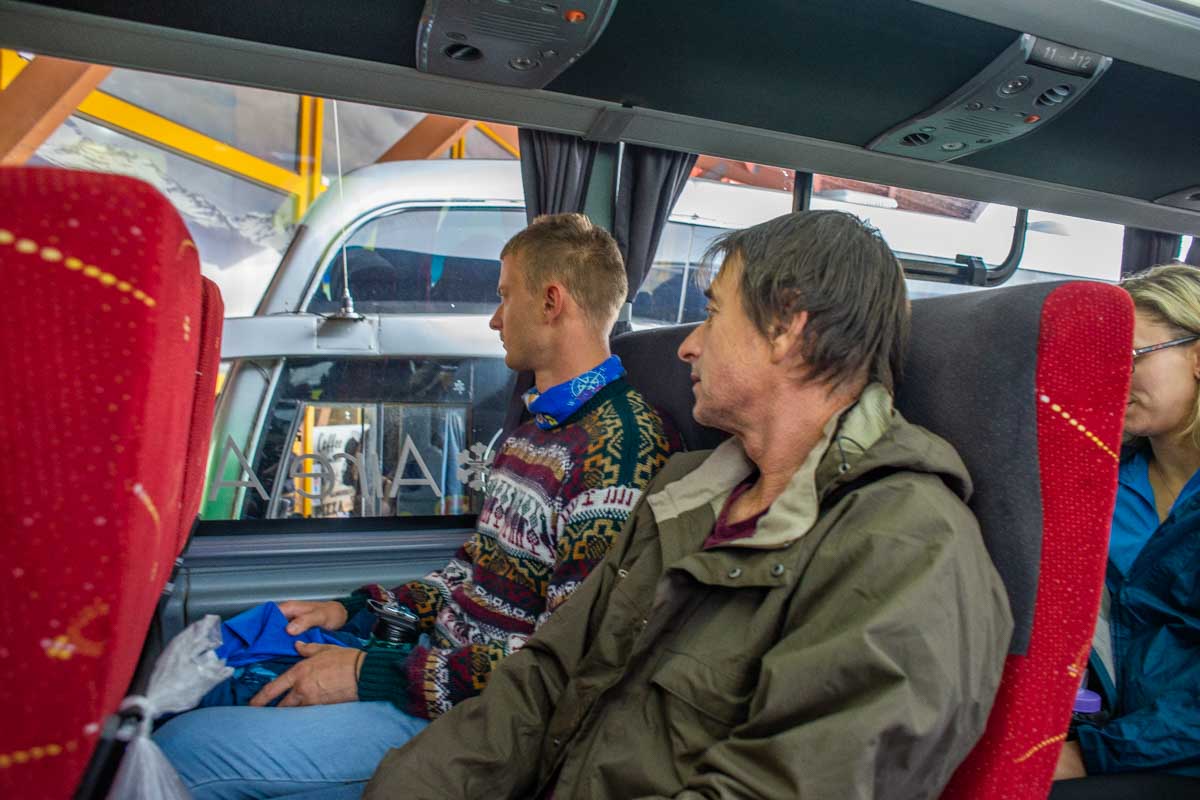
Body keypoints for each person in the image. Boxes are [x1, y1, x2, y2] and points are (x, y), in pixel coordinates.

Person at [362, 210, 1014, 799]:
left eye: (712, 313)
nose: (687, 346)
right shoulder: (688, 489)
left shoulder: (908, 549)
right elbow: (545, 679)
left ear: (787, 327)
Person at [154, 213, 678, 798]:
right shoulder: (539, 425)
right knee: (212, 682)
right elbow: (470, 575)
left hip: (480, 721)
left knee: (182, 757)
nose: (495, 319)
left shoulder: (622, 448)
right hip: (434, 669)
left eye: (506, 297)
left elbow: (563, 661)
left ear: (552, 301)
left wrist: (369, 673)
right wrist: (354, 610)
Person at [1052, 263, 1200, 792]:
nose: (1113, 373)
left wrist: (1092, 755)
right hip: (1113, 734)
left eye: (1133, 355)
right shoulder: (1102, 479)